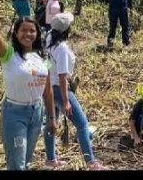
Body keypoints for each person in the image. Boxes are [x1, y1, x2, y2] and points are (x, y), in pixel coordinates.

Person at [0, 0, 56, 170]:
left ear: (38, 34)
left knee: (25, 162)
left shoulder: (44, 57)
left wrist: (52, 118)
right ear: (16, 33)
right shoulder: (9, 54)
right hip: (15, 114)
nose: (28, 34)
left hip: (36, 113)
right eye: (23, 30)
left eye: (32, 31)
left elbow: (47, 89)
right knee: (17, 165)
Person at [43, 12, 108, 170]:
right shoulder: (62, 49)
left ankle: (50, 160)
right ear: (67, 29)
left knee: (51, 122)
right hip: (59, 89)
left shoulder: (48, 38)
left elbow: (48, 65)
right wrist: (66, 101)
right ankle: (91, 162)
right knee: (82, 124)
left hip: (48, 88)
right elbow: (62, 77)